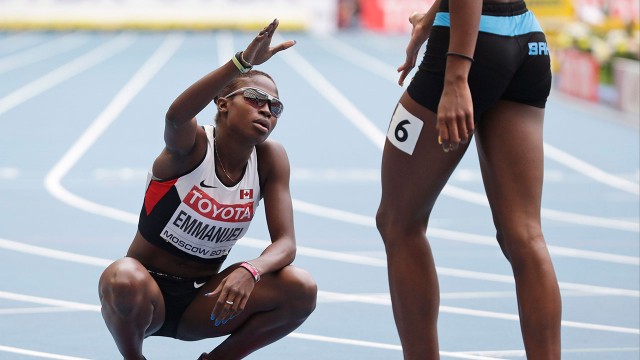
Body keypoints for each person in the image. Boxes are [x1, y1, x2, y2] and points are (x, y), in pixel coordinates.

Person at [98, 19, 317, 360]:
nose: (267, 110)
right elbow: (175, 116)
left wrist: (251, 269)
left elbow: (286, 243)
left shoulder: (271, 159)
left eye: (276, 108)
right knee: (121, 276)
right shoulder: (193, 146)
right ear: (222, 103)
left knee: (300, 288)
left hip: (203, 302)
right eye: (256, 98)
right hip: (145, 297)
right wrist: (242, 62)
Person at [375, 1, 561, 359]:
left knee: (398, 222)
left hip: (469, 47)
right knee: (524, 234)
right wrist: (428, 22)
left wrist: (457, 77)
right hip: (527, 40)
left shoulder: (460, 64)